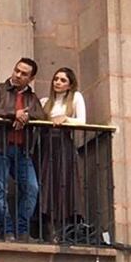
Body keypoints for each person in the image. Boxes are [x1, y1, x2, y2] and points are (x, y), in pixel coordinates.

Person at [0, 58, 47, 241]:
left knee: (32, 188)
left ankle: (22, 230)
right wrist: (13, 114)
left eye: (24, 74)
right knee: (0, 190)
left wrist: (26, 116)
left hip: (22, 150)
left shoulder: (32, 98)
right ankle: (7, 231)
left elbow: (41, 116)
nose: (18, 75)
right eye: (17, 70)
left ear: (31, 79)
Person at [39, 67, 87, 242]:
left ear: (70, 84)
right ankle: (49, 229)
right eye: (56, 79)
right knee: (47, 186)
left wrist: (65, 119)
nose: (58, 82)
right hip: (46, 147)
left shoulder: (75, 98)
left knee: (64, 185)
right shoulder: (44, 101)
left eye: (63, 80)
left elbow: (82, 121)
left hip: (63, 146)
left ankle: (64, 230)